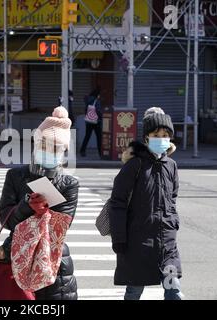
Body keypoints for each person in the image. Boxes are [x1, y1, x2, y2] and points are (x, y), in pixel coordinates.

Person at [0, 106, 79, 300]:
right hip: (16, 256)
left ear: (63, 151)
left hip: (54, 262)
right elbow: (6, 219)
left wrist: (41, 213)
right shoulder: (15, 176)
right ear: (36, 144)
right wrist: (26, 207)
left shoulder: (69, 184)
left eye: (56, 148)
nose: (50, 151)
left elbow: (59, 228)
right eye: (45, 145)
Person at [109, 107, 183, 300]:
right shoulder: (135, 165)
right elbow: (117, 203)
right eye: (156, 134)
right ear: (147, 138)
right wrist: (119, 238)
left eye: (165, 134)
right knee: (134, 291)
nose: (161, 138)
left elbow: (172, 200)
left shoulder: (171, 166)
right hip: (137, 243)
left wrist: (173, 224)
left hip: (167, 244)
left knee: (173, 290)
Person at [80, 88, 103, 158]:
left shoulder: (88, 100)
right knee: (99, 137)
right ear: (97, 94)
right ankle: (100, 153)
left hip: (89, 121)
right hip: (96, 122)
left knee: (87, 136)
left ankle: (82, 151)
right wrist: (101, 116)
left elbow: (86, 109)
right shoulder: (96, 101)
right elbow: (98, 110)